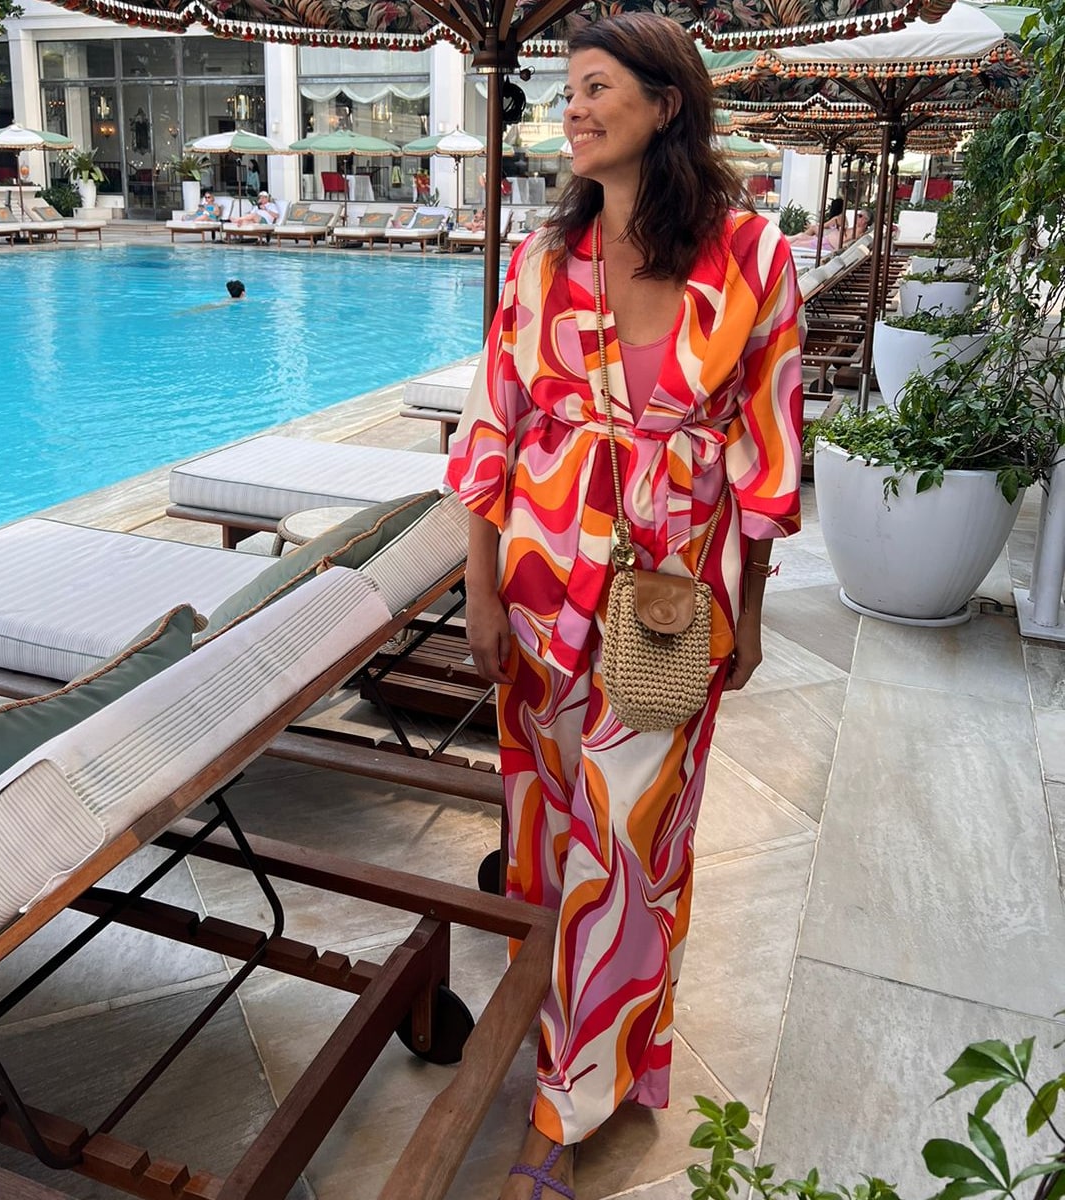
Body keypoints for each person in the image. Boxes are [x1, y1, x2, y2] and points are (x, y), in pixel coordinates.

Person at [445, 13, 804, 1199]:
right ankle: (594, 1038)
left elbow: (768, 451)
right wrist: (479, 590)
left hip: (668, 600)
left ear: (665, 103)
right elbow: (493, 429)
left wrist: (750, 615)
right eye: (569, 90)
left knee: (630, 843)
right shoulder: (544, 261)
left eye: (598, 87)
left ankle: (566, 1104)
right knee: (552, 828)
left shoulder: (752, 258)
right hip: (541, 589)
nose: (575, 107)